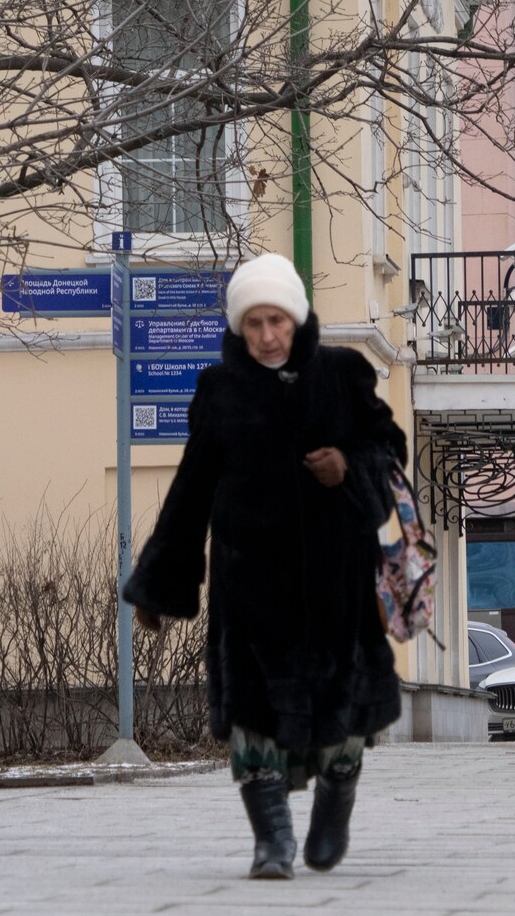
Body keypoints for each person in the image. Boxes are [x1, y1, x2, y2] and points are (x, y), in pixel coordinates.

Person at [122, 254, 406, 880]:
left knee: (344, 725)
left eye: (276, 319)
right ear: (239, 327)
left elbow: (389, 452)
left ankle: (335, 800)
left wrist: (348, 471)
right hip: (250, 590)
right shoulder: (219, 391)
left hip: (336, 589)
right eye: (254, 323)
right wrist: (160, 585)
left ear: (295, 317)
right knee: (254, 722)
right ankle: (271, 841)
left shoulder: (342, 374)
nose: (267, 335)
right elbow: (191, 488)